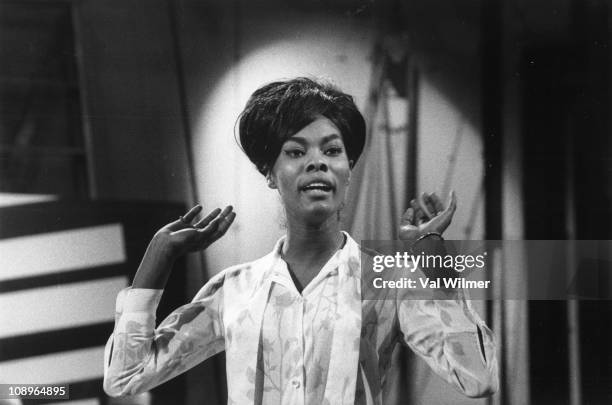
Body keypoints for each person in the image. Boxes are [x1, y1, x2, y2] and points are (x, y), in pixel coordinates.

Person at [103, 77, 498, 404]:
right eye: (296, 151)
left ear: (348, 169)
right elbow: (125, 377)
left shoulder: (387, 284)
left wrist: (430, 249)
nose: (317, 161)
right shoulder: (234, 291)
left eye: (332, 150)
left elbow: (477, 378)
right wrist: (158, 255)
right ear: (271, 173)